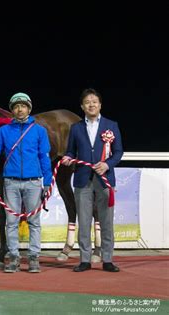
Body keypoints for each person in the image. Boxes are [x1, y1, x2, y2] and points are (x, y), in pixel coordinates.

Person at [0, 92, 52, 273]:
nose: (20, 109)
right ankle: (13, 257)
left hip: (34, 182)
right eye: (16, 106)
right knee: (11, 222)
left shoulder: (39, 131)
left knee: (34, 222)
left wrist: (47, 182)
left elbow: (44, 158)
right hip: (10, 182)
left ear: (29, 108)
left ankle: (34, 258)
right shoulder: (3, 131)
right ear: (12, 110)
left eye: (23, 106)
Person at [62, 88, 123, 272]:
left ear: (100, 105)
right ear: (82, 106)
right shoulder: (76, 128)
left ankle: (108, 259)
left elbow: (118, 152)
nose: (91, 104)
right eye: (87, 102)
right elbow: (71, 151)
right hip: (82, 179)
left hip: (105, 179)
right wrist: (67, 157)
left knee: (106, 221)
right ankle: (85, 259)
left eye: (94, 101)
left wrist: (107, 164)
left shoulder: (111, 126)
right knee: (84, 220)